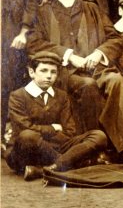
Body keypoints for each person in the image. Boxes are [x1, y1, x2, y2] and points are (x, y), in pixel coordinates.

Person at [25, 0, 123, 166]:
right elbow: (34, 43)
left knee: (116, 80)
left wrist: (98, 53)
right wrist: (68, 55)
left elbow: (115, 39)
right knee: (88, 86)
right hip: (63, 72)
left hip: (96, 68)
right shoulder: (44, 12)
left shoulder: (92, 9)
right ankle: (97, 148)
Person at [5, 52, 108, 181]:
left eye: (53, 72)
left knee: (98, 136)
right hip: (27, 151)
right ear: (32, 72)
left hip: (56, 147)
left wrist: (48, 134)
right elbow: (23, 128)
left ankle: (47, 169)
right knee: (28, 136)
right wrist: (53, 129)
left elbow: (69, 130)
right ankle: (70, 164)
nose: (49, 76)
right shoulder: (18, 96)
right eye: (43, 70)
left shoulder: (62, 96)